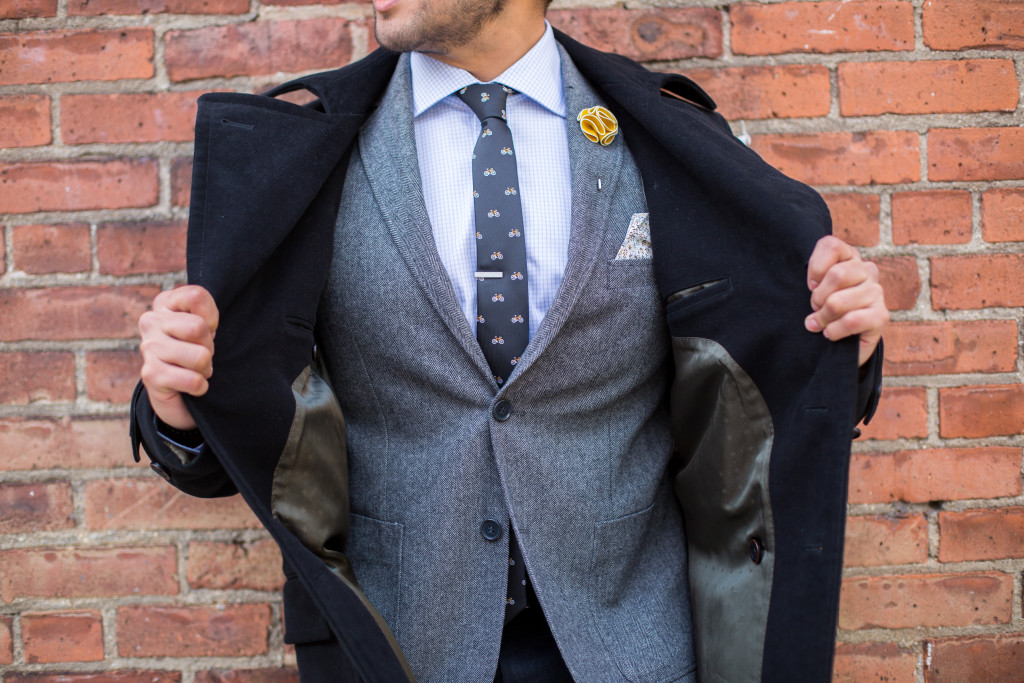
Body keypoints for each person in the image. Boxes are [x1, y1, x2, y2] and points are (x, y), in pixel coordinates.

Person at [131, 0, 889, 679]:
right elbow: (246, 439)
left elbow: (755, 376)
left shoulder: (664, 135)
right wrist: (178, 410)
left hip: (635, 648)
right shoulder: (306, 153)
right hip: (399, 649)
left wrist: (840, 341)